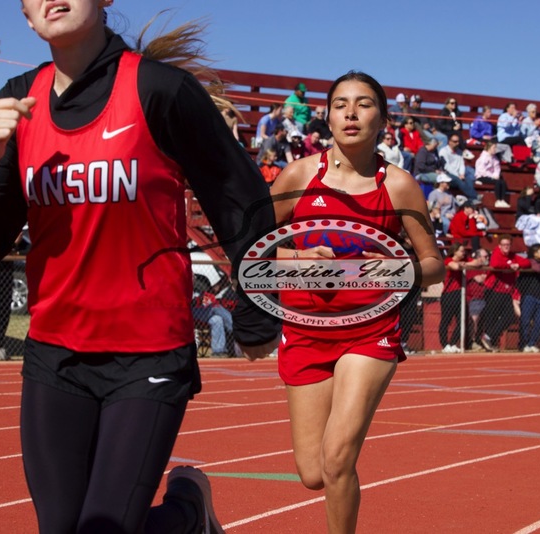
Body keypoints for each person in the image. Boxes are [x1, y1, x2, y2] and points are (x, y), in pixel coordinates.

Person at [0, 4, 280, 533]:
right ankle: (188, 522)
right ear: (27, 18)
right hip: (55, 353)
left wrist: (258, 305)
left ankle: (187, 509)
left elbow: (237, 194)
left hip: (147, 351)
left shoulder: (159, 90)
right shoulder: (18, 102)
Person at [268, 70, 445, 533]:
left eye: (364, 104)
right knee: (312, 473)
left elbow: (434, 264)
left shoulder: (399, 185)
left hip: (369, 330)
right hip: (305, 328)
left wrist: (393, 267)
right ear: (326, 116)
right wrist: (298, 257)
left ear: (383, 119)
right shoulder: (299, 175)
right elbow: (250, 248)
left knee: (338, 457)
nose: (350, 112)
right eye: (341, 103)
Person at [480, 235, 531, 351]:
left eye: (508, 245)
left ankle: (488, 337)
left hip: (506, 291)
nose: (506, 247)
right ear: (499, 245)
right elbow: (495, 264)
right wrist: (509, 266)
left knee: (509, 316)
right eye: (504, 245)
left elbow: (527, 262)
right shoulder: (496, 253)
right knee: (490, 317)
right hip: (494, 290)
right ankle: (488, 342)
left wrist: (517, 265)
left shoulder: (512, 256)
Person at [440, 243, 479, 353]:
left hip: (460, 294)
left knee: (462, 320)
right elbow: (455, 266)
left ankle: (453, 343)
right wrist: (463, 264)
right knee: (446, 320)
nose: (464, 253)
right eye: (461, 251)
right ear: (455, 251)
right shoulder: (448, 259)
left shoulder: (465, 259)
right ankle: (444, 344)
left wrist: (465, 263)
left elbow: (477, 262)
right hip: (449, 294)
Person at [517, 243, 540, 352]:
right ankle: (523, 344)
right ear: (535, 253)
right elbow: (537, 268)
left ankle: (532, 343)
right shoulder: (528, 262)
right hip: (529, 296)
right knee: (525, 321)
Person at [192, 290, 237, 357]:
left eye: (194, 278)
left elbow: (212, 298)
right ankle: (234, 327)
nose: (193, 279)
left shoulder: (201, 291)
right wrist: (198, 300)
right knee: (215, 307)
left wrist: (205, 300)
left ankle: (218, 351)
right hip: (192, 314)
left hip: (205, 314)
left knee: (217, 319)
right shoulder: (185, 287)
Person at [438, 134, 480, 202]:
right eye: (455, 141)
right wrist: (458, 175)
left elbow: (461, 164)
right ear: (449, 142)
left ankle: (472, 198)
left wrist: (462, 174)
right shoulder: (443, 151)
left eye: (458, 141)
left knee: (469, 178)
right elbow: (446, 166)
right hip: (447, 174)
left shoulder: (459, 152)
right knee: (459, 180)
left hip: (458, 174)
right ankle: (474, 196)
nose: (457, 143)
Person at [475, 140, 510, 208]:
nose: (495, 149)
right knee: (497, 182)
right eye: (494, 148)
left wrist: (496, 175)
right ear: (489, 148)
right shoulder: (483, 157)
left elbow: (497, 168)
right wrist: (492, 176)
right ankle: (498, 200)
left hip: (492, 176)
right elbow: (482, 170)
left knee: (502, 182)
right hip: (482, 176)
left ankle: (502, 200)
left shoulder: (494, 158)